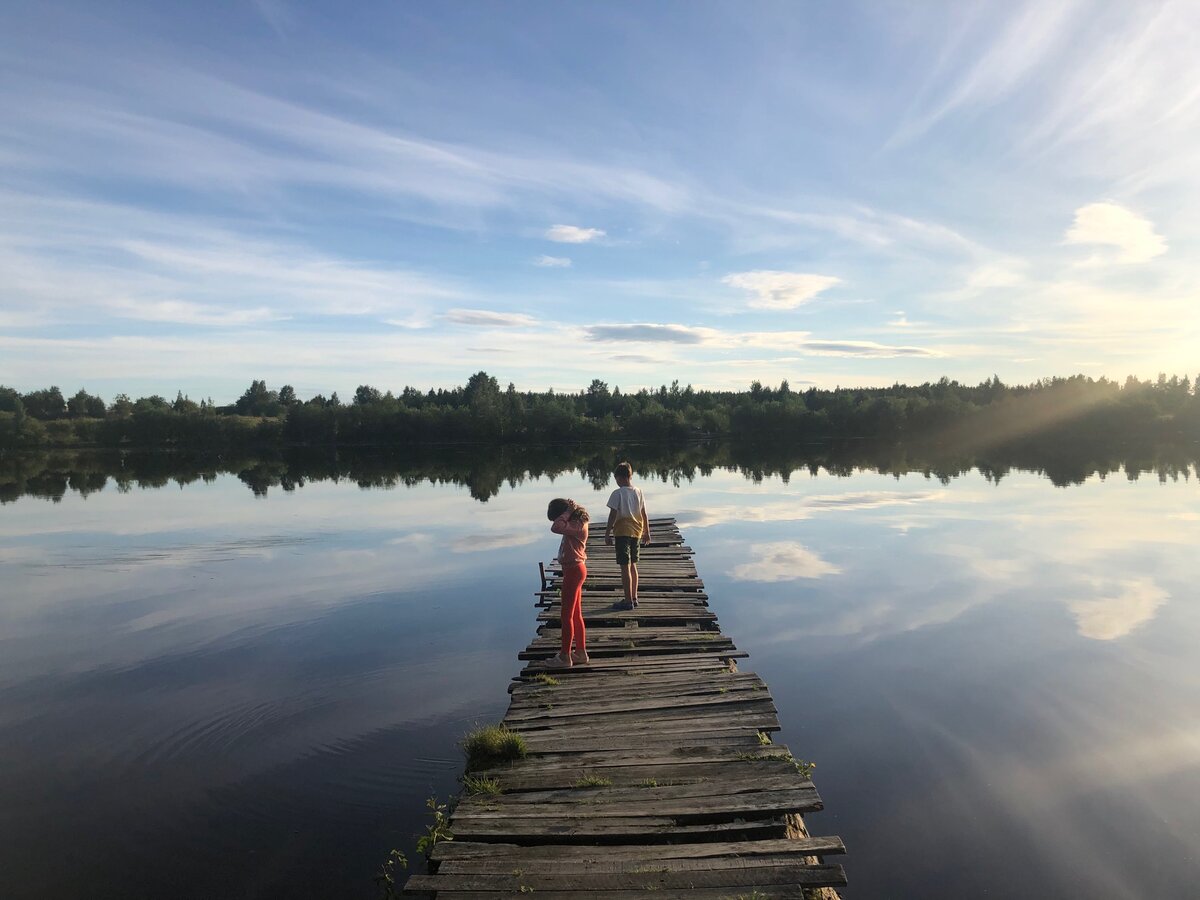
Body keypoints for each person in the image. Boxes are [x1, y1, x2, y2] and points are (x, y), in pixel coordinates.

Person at [547, 498, 589, 668]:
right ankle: (580, 652)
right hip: (575, 569)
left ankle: (565, 657)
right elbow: (558, 525)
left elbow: (555, 527)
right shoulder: (577, 523)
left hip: (574, 570)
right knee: (576, 614)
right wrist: (569, 513)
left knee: (566, 615)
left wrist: (568, 512)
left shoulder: (576, 523)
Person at [604, 461, 650, 611]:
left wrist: (607, 533)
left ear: (621, 477)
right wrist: (647, 532)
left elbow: (613, 514)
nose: (616, 482)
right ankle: (634, 597)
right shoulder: (639, 491)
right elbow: (644, 513)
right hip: (636, 531)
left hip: (622, 532)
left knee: (624, 567)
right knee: (633, 565)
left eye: (616, 478)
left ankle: (628, 601)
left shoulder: (617, 493)